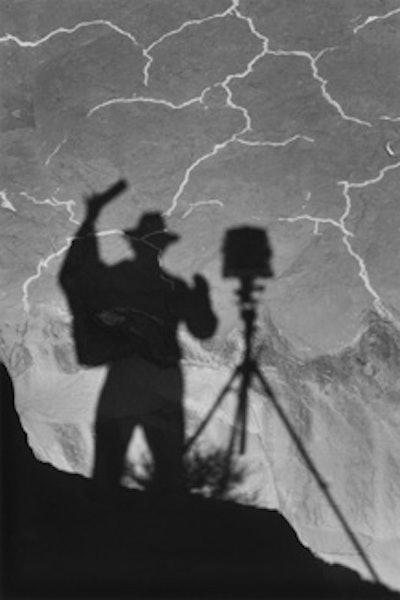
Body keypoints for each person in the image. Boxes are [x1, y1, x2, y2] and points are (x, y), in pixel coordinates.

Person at [59, 181, 217, 493]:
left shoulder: (130, 282)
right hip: (154, 386)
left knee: (121, 469)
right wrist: (201, 299)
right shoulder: (169, 288)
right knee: (161, 472)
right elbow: (204, 328)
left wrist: (90, 221)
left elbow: (76, 279)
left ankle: (115, 525)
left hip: (136, 385)